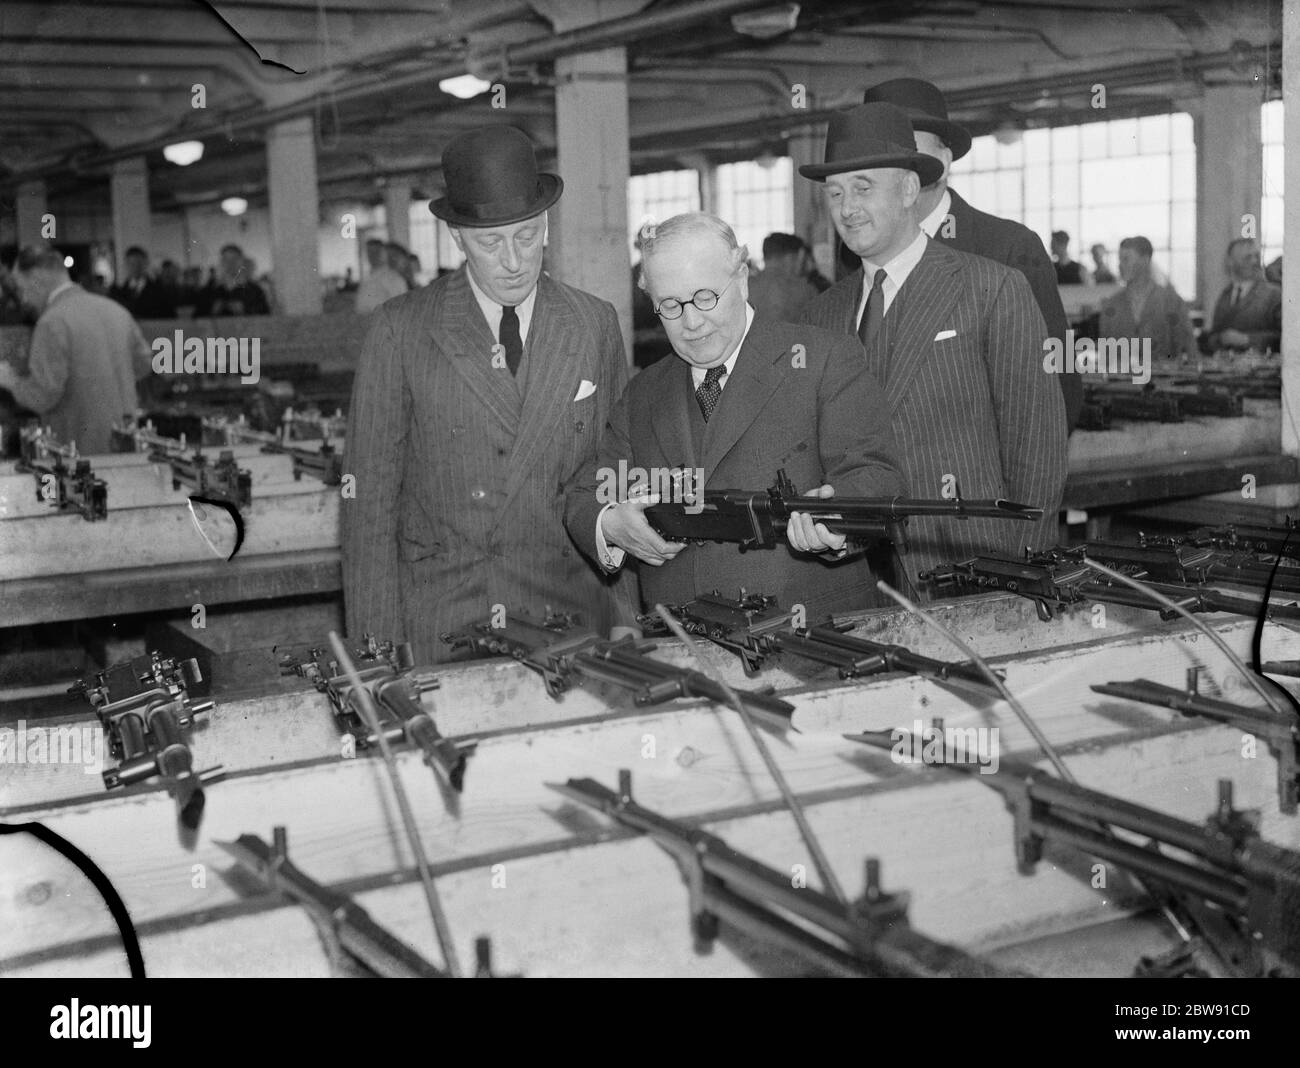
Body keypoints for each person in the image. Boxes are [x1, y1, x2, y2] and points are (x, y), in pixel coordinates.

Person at [343, 124, 635, 662]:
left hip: (566, 615)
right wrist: (376, 653)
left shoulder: (593, 323)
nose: (513, 260)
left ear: (546, 225)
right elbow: (369, 504)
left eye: (527, 236)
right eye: (490, 242)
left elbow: (613, 475)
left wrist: (627, 620)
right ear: (457, 237)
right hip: (446, 617)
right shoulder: (401, 329)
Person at [564, 212, 906, 615]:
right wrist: (610, 523)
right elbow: (590, 495)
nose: (692, 322)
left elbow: (875, 474)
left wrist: (838, 518)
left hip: (810, 638)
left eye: (706, 297)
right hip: (685, 646)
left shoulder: (823, 360)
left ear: (742, 277)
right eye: (670, 306)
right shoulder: (643, 393)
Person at [798, 103, 1067, 589]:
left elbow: (1037, 448)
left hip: (970, 568)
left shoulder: (990, 289)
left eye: (863, 187)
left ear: (907, 189)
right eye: (834, 193)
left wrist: (1025, 573)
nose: (847, 208)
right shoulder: (821, 315)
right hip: (854, 579)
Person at [860, 79, 1080, 431]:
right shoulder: (857, 255)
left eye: (911, 151)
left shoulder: (1008, 249)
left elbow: (1058, 384)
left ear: (944, 161)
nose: (898, 169)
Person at [0, 245, 152, 454]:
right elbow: (144, 363)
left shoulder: (51, 322)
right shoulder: (116, 311)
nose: (24, 299)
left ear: (36, 279)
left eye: (22, 288)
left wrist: (11, 381)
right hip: (126, 442)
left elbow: (43, 397)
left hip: (78, 451)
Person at [1099, 236, 1196, 361]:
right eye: (1120, 260)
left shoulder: (1171, 302)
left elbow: (1189, 347)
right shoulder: (1111, 306)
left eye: (1126, 259)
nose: (1120, 265)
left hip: (1163, 378)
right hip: (1122, 378)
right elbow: (1105, 354)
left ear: (1145, 260)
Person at [1200, 238, 1282, 353]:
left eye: (1257, 256)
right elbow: (1214, 335)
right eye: (1247, 257)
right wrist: (1220, 339)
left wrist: (1246, 339)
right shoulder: (1225, 296)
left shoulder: (1274, 295)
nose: (1254, 261)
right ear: (1231, 262)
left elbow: (1286, 337)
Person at [746, 232, 821, 322]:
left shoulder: (743, 288)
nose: (803, 266)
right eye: (802, 259)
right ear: (791, 258)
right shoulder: (805, 291)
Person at [193, 243, 270, 317]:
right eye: (226, 260)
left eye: (235, 259)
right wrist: (212, 310)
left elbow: (266, 317)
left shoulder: (255, 290)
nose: (230, 263)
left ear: (242, 262)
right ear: (221, 262)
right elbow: (196, 320)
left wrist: (245, 310)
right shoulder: (208, 291)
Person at [108, 246, 176, 319]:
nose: (136, 267)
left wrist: (178, 331)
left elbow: (174, 321)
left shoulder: (160, 290)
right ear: (126, 265)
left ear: (146, 263)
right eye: (132, 264)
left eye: (139, 263)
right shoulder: (119, 292)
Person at [355, 237, 408, 312]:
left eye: (376, 252)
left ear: (384, 253)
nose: (372, 256)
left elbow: (400, 306)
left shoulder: (393, 278)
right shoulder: (368, 278)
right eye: (369, 252)